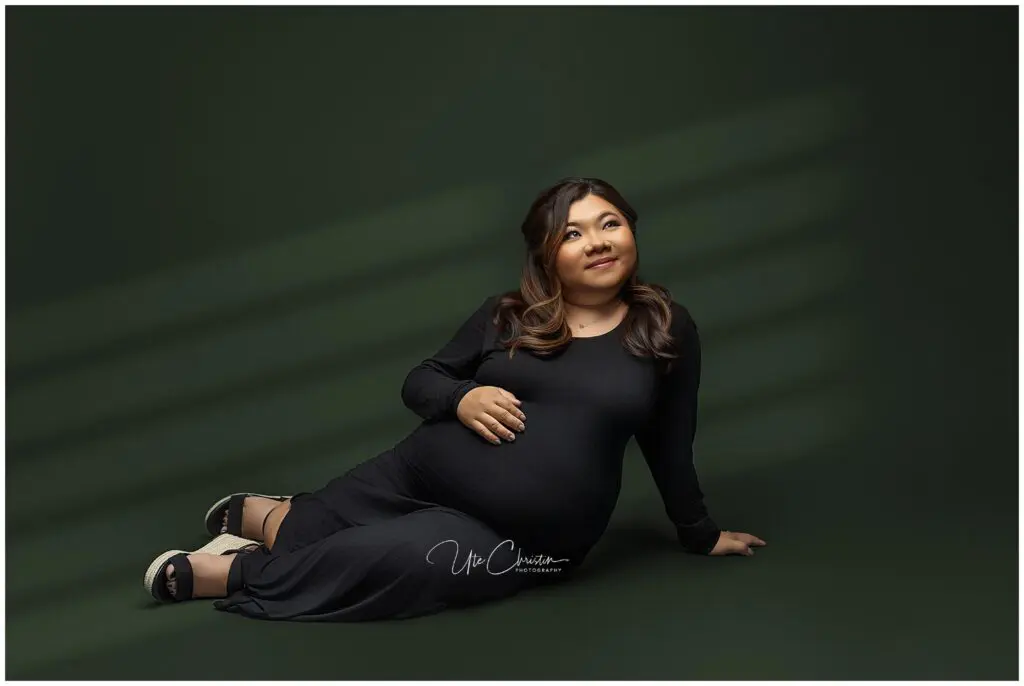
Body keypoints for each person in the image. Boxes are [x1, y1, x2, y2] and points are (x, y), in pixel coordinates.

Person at [143, 176, 767, 621]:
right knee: (314, 527)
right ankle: (277, 518)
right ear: (547, 256)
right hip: (417, 475)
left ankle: (234, 572)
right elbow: (420, 380)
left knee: (412, 559)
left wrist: (698, 532)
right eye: (573, 234)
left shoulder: (664, 327)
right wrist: (461, 400)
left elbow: (670, 440)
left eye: (610, 223)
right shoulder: (507, 314)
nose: (598, 241)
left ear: (631, 230)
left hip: (529, 544)